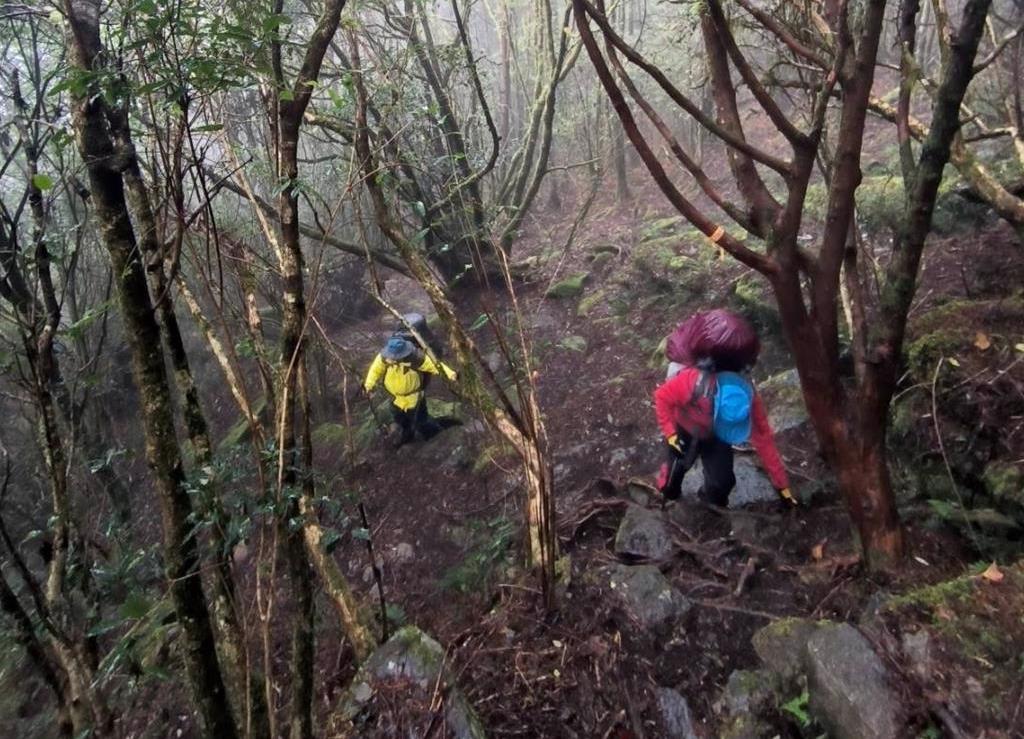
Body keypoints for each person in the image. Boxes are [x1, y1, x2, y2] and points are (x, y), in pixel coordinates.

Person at [654, 311, 796, 507]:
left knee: (723, 483)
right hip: (686, 428)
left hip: (716, 437)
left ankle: (710, 505)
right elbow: (662, 397)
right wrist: (670, 434)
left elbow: (764, 440)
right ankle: (670, 494)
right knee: (670, 482)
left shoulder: (746, 396)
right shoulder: (693, 382)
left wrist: (783, 485)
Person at [363, 336, 457, 447]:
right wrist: (368, 386)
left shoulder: (416, 358)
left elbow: (434, 366)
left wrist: (451, 374)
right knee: (401, 421)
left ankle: (434, 436)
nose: (392, 359)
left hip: (414, 399)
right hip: (395, 399)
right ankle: (408, 436)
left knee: (421, 422)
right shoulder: (383, 357)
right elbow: (375, 370)